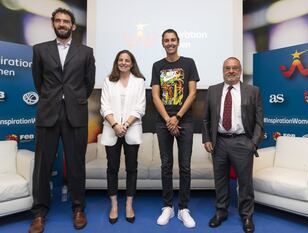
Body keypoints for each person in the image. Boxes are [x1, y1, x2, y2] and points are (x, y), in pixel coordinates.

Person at [29, 7, 95, 233]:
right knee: (42, 166)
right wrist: (53, 99)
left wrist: (73, 100)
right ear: (53, 24)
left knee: (76, 165)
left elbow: (88, 84)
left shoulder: (86, 52)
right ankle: (38, 213)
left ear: (73, 26)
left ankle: (78, 209)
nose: (62, 24)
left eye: (66, 21)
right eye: (58, 20)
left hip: (75, 115)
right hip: (48, 113)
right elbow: (38, 82)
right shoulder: (39, 50)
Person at [202, 57, 264, 233]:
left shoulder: (252, 91)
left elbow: (259, 122)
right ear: (223, 70)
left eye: (234, 68)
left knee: (245, 182)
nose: (231, 71)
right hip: (219, 141)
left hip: (242, 141)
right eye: (227, 68)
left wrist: (253, 144)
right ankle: (221, 212)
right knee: (220, 180)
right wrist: (207, 139)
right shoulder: (213, 90)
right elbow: (206, 118)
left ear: (240, 70)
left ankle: (247, 216)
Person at [151, 29, 199, 228]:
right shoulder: (157, 66)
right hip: (163, 121)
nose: (170, 43)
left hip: (185, 121)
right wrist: (168, 120)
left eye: (173, 40)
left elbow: (193, 93)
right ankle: (168, 207)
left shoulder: (188, 63)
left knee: (185, 166)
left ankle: (183, 209)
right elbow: (155, 96)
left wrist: (177, 117)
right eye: (166, 40)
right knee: (166, 164)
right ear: (162, 43)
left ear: (178, 42)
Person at [100, 50, 146, 224]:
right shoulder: (108, 80)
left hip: (131, 130)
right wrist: (115, 125)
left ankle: (128, 204)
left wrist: (125, 125)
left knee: (131, 169)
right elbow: (104, 106)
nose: (124, 63)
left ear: (132, 63)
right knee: (112, 168)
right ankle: (114, 205)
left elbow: (140, 107)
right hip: (111, 130)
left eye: (127, 60)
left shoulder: (139, 82)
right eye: (121, 60)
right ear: (116, 62)